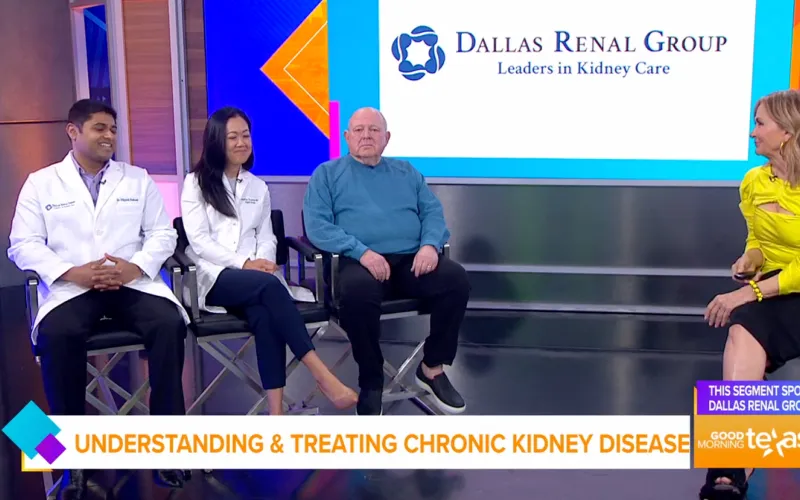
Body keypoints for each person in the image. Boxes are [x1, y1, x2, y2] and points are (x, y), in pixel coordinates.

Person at [7, 99, 190, 498]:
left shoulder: (137, 179)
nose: (109, 136)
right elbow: (22, 244)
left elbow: (163, 234)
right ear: (73, 131)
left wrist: (134, 267)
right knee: (58, 335)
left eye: (113, 130)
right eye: (100, 128)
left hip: (130, 282)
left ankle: (168, 449)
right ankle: (71, 461)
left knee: (168, 323)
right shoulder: (41, 183)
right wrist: (71, 272)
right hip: (72, 286)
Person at [181, 107, 357, 415]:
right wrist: (245, 263)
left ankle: (276, 414)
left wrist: (262, 260)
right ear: (216, 141)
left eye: (245, 136)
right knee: (268, 287)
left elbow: (266, 236)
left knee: (265, 316)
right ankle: (322, 374)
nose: (241, 143)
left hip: (254, 280)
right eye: (232, 137)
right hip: (213, 276)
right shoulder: (196, 183)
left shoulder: (258, 186)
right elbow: (199, 242)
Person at [303, 107, 471, 416]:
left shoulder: (406, 172)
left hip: (410, 260)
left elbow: (432, 213)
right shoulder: (326, 174)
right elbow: (318, 227)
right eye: (359, 130)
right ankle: (371, 381)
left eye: (374, 130)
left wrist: (429, 245)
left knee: (455, 279)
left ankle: (432, 367)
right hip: (358, 261)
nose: (366, 136)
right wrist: (361, 252)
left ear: (387, 138)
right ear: (346, 137)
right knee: (357, 292)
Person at [700, 89, 800, 500]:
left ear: (787, 132)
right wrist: (750, 260)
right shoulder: (755, 181)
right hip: (779, 285)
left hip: (787, 285)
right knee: (743, 331)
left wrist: (749, 292)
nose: (752, 133)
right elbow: (758, 239)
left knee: (743, 309)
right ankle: (730, 466)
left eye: (760, 123)